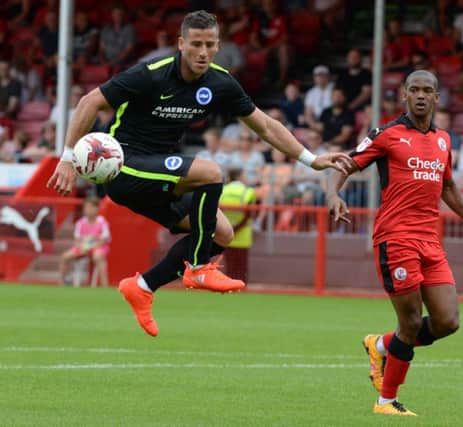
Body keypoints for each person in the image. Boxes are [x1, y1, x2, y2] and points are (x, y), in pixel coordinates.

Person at [47, 10, 352, 338]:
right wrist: (66, 157)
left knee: (221, 233)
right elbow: (90, 101)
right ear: (181, 44)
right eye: (195, 44)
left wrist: (311, 158)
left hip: (158, 173)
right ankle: (198, 268)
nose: (202, 52)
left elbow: (264, 125)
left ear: (218, 46)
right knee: (210, 171)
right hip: (124, 166)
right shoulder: (150, 74)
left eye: (209, 44)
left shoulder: (220, 82)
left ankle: (142, 286)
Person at [326, 70, 463, 416]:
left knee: (448, 320)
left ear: (437, 98)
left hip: (430, 242)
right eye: (414, 90)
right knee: (409, 323)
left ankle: (380, 344)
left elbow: (448, 187)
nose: (421, 96)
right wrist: (332, 194)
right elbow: (343, 164)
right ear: (404, 95)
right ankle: (386, 401)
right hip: (396, 239)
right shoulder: (387, 135)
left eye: (428, 91)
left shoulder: (443, 140)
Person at [59, 196, 111, 287]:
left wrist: (93, 247)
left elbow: (104, 239)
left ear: (97, 208)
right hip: (83, 248)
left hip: (98, 247)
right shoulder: (80, 223)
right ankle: (65, 282)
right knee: (65, 257)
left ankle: (104, 284)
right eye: (86, 207)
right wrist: (82, 247)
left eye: (91, 207)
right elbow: (77, 240)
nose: (88, 210)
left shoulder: (102, 222)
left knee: (98, 256)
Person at [220, 168, 256, 283]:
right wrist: (237, 228)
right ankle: (241, 286)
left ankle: (229, 286)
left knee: (230, 264)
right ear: (240, 176)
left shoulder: (223, 190)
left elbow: (218, 211)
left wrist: (229, 227)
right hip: (243, 232)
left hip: (225, 231)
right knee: (241, 266)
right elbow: (249, 214)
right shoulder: (248, 191)